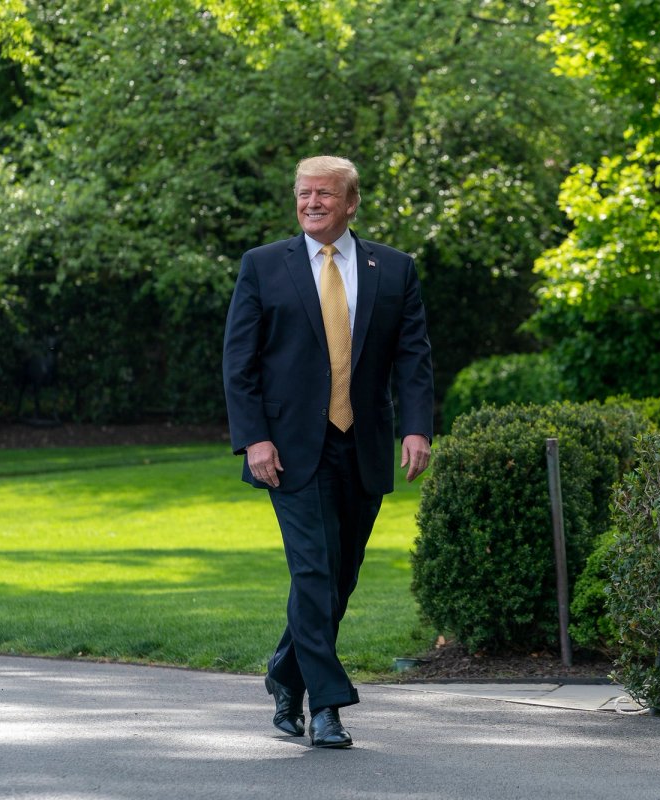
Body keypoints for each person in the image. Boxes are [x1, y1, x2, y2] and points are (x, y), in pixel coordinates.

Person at [223, 155, 434, 748]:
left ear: (350, 202)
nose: (311, 202)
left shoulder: (393, 269)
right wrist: (254, 438)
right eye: (302, 193)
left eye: (323, 194)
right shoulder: (263, 266)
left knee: (339, 578)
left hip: (361, 446)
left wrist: (416, 427)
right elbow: (239, 365)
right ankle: (328, 706)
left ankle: (284, 673)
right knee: (313, 571)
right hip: (287, 450)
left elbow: (412, 357)